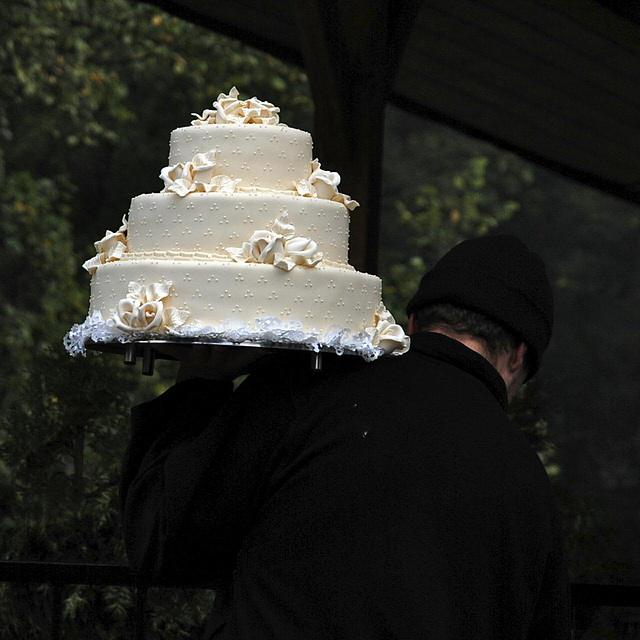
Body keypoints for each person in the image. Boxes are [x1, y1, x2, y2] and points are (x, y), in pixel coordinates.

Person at [120, 235, 569, 639]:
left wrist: (200, 381)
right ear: (518, 356)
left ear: (412, 323)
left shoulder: (304, 390)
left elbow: (163, 540)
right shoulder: (530, 484)